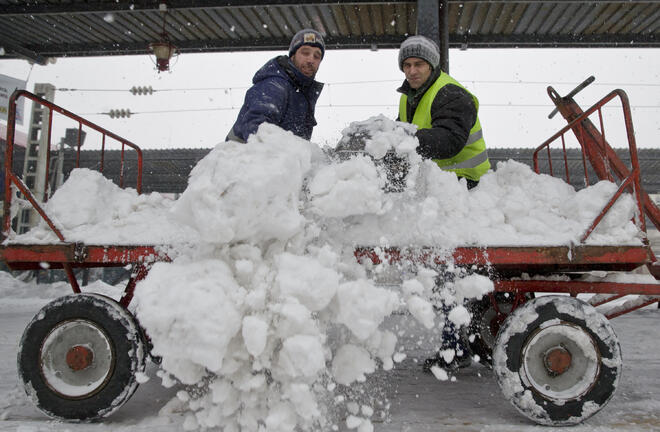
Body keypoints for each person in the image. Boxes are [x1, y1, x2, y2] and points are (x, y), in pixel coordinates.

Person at [397, 35, 490, 189]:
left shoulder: (451, 93)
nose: (412, 71)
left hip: (466, 181)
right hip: (434, 179)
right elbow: (400, 132)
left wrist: (406, 140)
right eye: (407, 65)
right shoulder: (408, 97)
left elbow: (450, 140)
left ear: (431, 65)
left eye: (418, 64)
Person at [226, 29, 325, 143]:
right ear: (293, 55)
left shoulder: (302, 95)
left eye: (317, 56)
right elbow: (257, 131)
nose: (311, 60)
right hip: (242, 158)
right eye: (305, 53)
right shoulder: (275, 86)